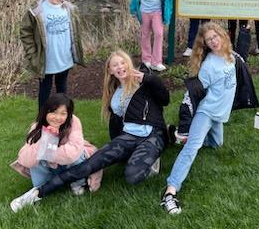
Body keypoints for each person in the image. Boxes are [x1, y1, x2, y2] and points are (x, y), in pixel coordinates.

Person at [10, 50, 171, 212]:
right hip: (129, 136)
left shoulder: (143, 83)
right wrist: (116, 148)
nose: (120, 67)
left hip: (152, 134)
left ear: (128, 64)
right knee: (89, 165)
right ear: (110, 70)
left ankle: (153, 158)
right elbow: (116, 124)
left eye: (123, 62)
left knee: (133, 176)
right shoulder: (115, 96)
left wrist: (148, 79)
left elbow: (165, 99)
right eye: (115, 65)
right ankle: (38, 193)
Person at [160, 22, 237, 215]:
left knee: (217, 144)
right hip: (207, 112)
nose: (214, 41)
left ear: (222, 35)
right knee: (191, 149)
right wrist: (186, 123)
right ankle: (170, 191)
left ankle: (176, 137)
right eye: (209, 40)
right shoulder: (209, 66)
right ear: (205, 44)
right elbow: (192, 94)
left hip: (219, 114)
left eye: (215, 36)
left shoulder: (230, 55)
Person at [9, 93, 103, 212]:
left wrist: (48, 151)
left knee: (79, 154)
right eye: (53, 112)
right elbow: (25, 160)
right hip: (50, 165)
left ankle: (77, 182)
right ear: (46, 112)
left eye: (63, 113)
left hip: (70, 163)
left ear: (68, 114)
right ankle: (46, 186)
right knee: (38, 178)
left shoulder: (73, 122)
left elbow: (73, 153)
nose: (58, 117)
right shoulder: (37, 127)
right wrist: (45, 138)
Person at [20, 0, 85, 108]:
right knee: (45, 89)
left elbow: (75, 32)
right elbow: (25, 32)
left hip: (64, 57)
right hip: (46, 59)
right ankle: (42, 117)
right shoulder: (36, 10)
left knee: (62, 88)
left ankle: (63, 114)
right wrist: (32, 53)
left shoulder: (70, 9)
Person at [130, 0, 175, 71]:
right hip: (144, 9)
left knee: (159, 34)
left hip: (157, 10)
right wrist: (134, 8)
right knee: (145, 35)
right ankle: (146, 60)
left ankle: (156, 62)